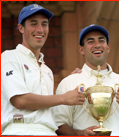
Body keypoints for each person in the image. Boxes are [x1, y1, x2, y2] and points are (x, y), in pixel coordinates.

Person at [1, 4, 85, 135]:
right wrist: (63, 97)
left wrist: (71, 81)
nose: (40, 29)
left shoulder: (47, 71)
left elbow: (45, 107)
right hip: (19, 129)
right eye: (34, 24)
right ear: (21, 28)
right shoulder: (9, 57)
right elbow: (20, 101)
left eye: (44, 24)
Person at [53, 24, 119, 136]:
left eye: (101, 41)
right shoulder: (69, 83)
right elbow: (58, 126)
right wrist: (80, 133)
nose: (97, 45)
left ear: (108, 47)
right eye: (90, 41)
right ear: (81, 50)